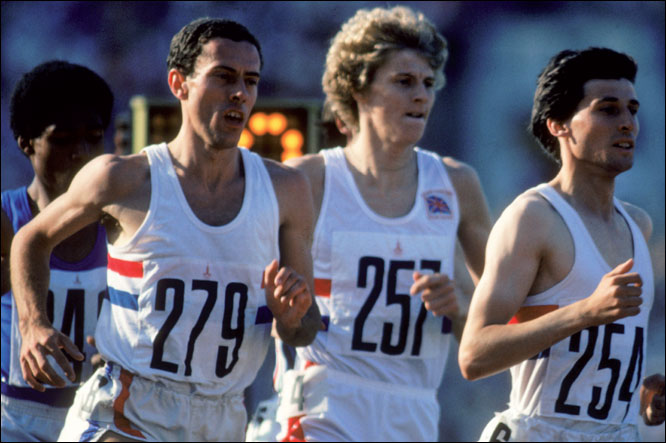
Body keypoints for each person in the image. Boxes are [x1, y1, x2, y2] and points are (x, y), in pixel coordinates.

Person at [10, 18, 321, 442]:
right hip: (126, 410)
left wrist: (291, 316)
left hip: (224, 416)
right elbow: (31, 238)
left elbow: (304, 329)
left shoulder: (288, 190)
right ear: (179, 83)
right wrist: (32, 325)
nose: (240, 93)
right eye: (224, 77)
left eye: (251, 81)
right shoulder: (123, 179)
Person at [270, 6, 491, 442]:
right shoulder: (307, 179)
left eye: (428, 84)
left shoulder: (456, 184)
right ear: (359, 89)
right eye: (404, 82)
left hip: (415, 407)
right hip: (324, 402)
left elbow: (502, 321)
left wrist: (461, 306)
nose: (422, 96)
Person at [458, 47, 665, 441]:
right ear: (559, 125)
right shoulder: (533, 218)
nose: (628, 124)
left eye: (632, 110)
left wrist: (633, 392)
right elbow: (474, 354)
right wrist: (584, 311)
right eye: (608, 110)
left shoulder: (639, 225)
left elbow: (584, 361)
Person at [1, 60, 113, 442]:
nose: (81, 153)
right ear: (26, 142)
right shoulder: (6, 220)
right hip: (15, 417)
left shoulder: (124, 223)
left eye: (93, 137)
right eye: (63, 139)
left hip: (101, 414)